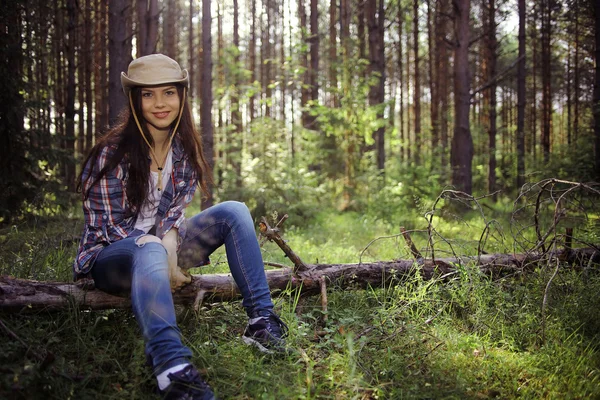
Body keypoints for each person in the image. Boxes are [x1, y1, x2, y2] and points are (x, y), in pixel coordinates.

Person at [74, 54, 288, 400]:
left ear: (181, 97)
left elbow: (174, 212)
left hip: (162, 251)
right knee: (150, 246)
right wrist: (159, 250)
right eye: (148, 94)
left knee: (233, 211)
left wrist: (171, 248)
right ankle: (172, 369)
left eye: (168, 92)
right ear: (135, 99)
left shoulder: (183, 150)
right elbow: (106, 228)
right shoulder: (111, 153)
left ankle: (262, 322)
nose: (160, 103)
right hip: (112, 258)